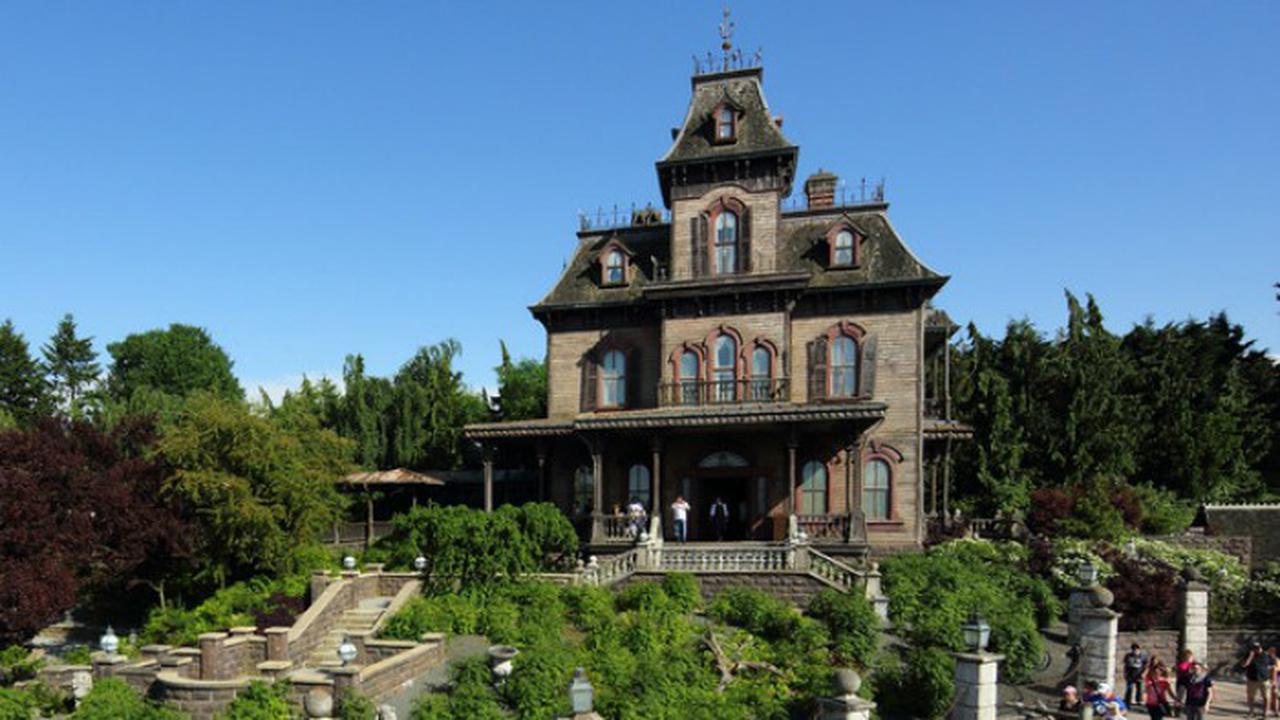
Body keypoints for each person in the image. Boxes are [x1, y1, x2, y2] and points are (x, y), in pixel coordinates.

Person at [1243, 641, 1277, 718]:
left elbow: (1273, 667)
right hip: (1252, 680)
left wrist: (1273, 679)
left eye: (1258, 648)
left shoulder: (1266, 655)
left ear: (1261, 647)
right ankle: (1251, 712)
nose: (1257, 650)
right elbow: (1244, 665)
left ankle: (1265, 713)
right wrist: (1250, 657)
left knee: (1266, 697)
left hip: (1264, 679)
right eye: (1254, 649)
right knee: (1251, 697)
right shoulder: (1249, 655)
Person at [1123, 642, 1149, 706]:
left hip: (1139, 675)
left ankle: (1139, 701)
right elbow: (1125, 666)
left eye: (1137, 649)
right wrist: (1125, 674)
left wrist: (1144, 673)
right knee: (1129, 688)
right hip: (1131, 675)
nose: (1135, 650)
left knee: (1139, 689)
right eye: (1134, 649)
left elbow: (1146, 665)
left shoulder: (1143, 655)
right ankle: (1127, 701)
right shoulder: (1128, 656)